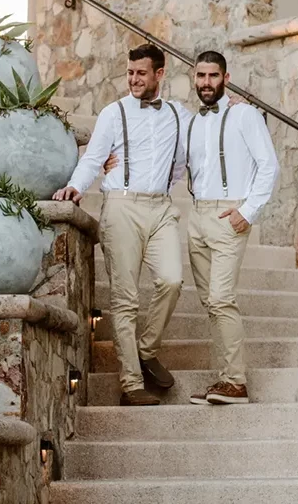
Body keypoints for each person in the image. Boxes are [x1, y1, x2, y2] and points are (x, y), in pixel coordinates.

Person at [105, 50, 279, 405]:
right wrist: (113, 162)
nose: (206, 83)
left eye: (213, 76)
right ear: (193, 79)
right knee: (210, 303)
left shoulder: (244, 115)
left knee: (220, 299)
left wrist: (249, 210)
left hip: (230, 217)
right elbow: (167, 158)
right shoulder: (190, 121)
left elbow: (269, 166)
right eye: (200, 76)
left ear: (226, 79)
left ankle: (235, 381)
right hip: (197, 220)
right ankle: (223, 379)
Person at [53, 43, 189, 407]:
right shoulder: (114, 113)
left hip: (160, 208)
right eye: (130, 72)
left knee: (172, 280)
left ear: (159, 74)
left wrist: (231, 107)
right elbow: (94, 158)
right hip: (122, 207)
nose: (133, 79)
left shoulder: (179, 114)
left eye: (141, 73)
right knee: (125, 300)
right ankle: (131, 385)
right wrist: (76, 186)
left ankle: (146, 350)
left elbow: (183, 161)